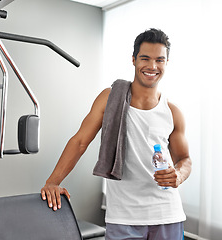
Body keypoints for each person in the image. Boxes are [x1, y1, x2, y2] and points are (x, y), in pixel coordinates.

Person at [41, 28, 192, 240]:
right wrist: (52, 182)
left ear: (167, 63)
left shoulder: (173, 112)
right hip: (123, 216)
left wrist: (179, 174)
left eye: (160, 60)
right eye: (145, 58)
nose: (152, 66)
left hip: (167, 213)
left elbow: (184, 159)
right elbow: (80, 141)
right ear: (133, 60)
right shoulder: (110, 97)